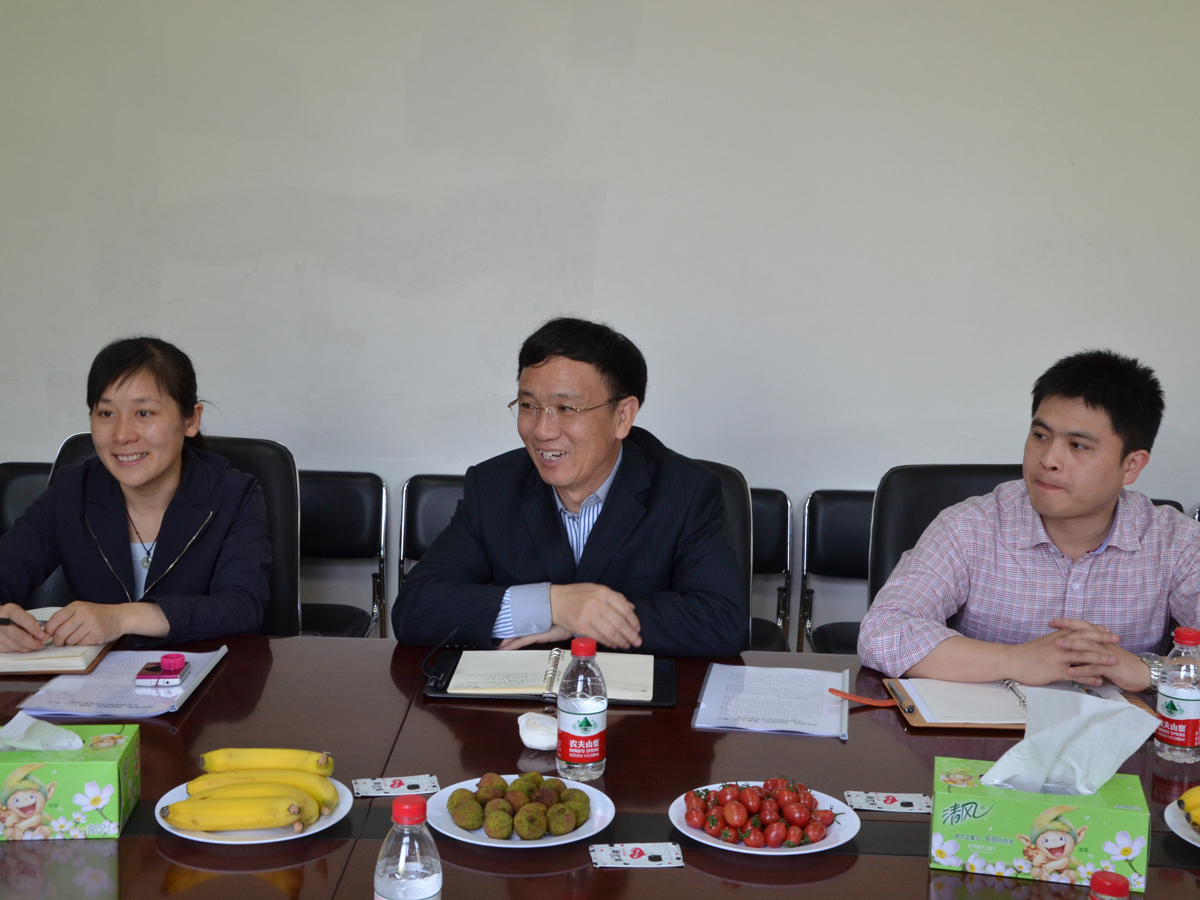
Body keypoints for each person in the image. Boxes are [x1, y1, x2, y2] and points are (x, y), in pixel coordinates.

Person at [392, 317, 745, 657]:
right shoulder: (493, 487)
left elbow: (724, 620)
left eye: (566, 408)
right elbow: (414, 607)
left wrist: (586, 619)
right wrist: (551, 605)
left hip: (632, 694)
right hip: (522, 694)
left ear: (622, 417)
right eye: (529, 405)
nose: (542, 430)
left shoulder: (684, 491)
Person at [858, 349, 1200, 691]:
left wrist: (1147, 671)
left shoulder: (1176, 542)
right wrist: (1016, 660)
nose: (1048, 459)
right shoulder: (968, 527)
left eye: (1078, 445)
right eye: (1040, 436)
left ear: (1131, 465)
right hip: (986, 723)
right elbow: (882, 631)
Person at [0, 337, 271, 650]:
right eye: (106, 414)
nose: (122, 435)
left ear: (191, 419)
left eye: (143, 413)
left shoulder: (234, 495)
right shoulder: (72, 492)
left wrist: (122, 618)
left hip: (209, 675)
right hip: (92, 678)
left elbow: (242, 607)